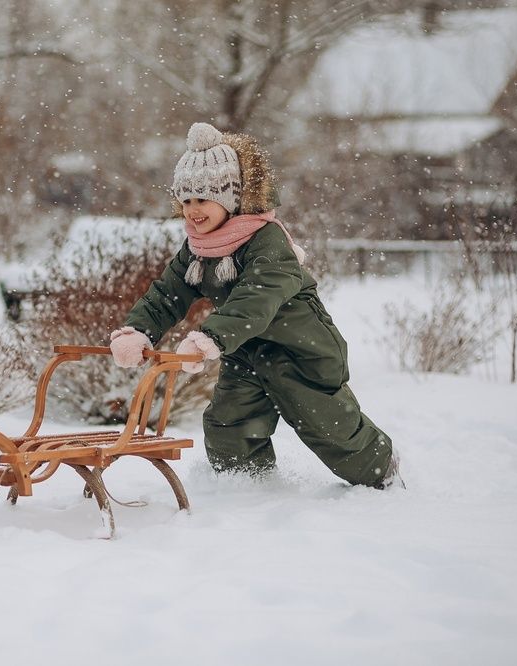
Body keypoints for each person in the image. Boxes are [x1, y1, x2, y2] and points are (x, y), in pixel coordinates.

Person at [109, 122, 403, 489]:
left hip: (300, 350)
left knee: (329, 428)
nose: (192, 210)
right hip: (246, 350)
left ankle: (383, 474)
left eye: (203, 199)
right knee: (230, 423)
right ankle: (247, 491)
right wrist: (139, 330)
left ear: (230, 198)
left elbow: (257, 297)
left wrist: (210, 337)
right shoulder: (199, 249)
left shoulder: (267, 241)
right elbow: (168, 293)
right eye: (185, 201)